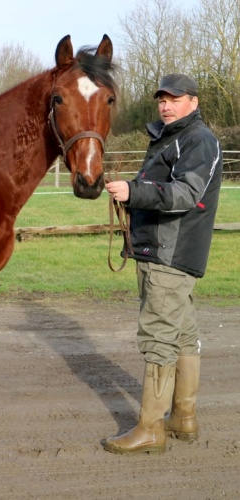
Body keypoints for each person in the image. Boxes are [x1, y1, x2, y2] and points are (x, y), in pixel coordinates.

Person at [103, 73, 223, 454]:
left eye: (174, 99)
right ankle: (183, 418)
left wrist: (133, 191)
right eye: (161, 100)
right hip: (172, 253)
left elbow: (187, 193)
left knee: (158, 338)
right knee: (183, 334)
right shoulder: (172, 139)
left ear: (194, 101)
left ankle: (150, 427)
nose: (166, 105)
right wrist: (134, 195)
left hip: (168, 255)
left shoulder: (197, 140)